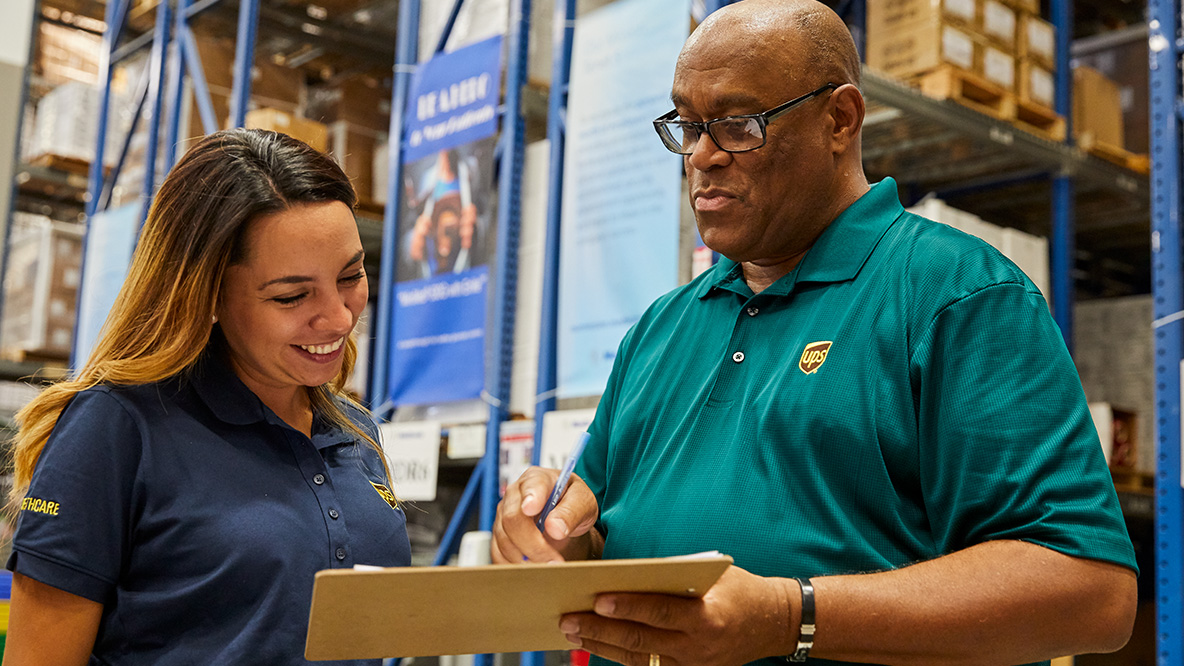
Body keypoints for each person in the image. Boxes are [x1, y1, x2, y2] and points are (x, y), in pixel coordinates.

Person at [492, 2, 1138, 665]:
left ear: (840, 119)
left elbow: (1088, 590)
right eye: (687, 126)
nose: (701, 157)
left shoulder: (955, 294)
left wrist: (789, 616)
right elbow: (599, 532)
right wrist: (557, 540)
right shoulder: (660, 329)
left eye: (737, 125)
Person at [3, 128, 411, 665]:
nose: (339, 316)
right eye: (291, 295)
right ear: (207, 294)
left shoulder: (356, 432)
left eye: (351, 275)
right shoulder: (118, 426)